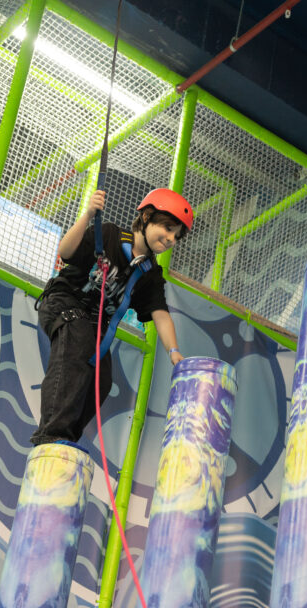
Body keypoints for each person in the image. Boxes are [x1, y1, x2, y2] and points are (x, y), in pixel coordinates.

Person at [30, 187, 192, 446]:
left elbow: (161, 314)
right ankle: (51, 432)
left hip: (94, 325)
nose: (171, 238)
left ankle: (66, 439)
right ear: (147, 217)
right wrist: (88, 215)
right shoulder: (109, 235)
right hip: (64, 302)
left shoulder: (149, 274)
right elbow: (66, 252)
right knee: (77, 345)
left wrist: (174, 351)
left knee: (101, 381)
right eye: (168, 228)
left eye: (177, 236)